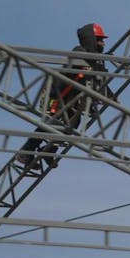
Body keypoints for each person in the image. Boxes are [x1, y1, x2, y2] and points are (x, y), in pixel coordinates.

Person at [17, 23, 112, 165]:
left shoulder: (94, 62)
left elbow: (98, 81)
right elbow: (83, 74)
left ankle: (49, 151)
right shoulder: (79, 53)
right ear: (91, 39)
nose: (103, 43)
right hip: (55, 94)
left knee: (73, 124)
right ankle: (26, 152)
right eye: (99, 40)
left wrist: (110, 96)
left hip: (68, 99)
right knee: (50, 123)